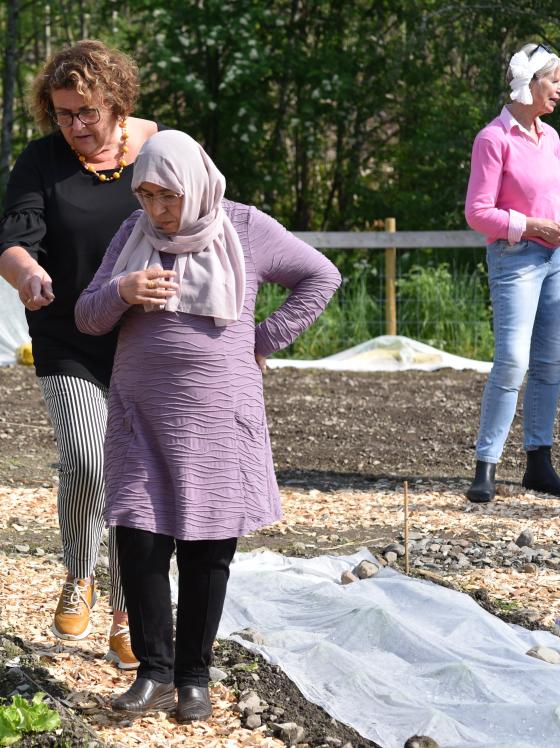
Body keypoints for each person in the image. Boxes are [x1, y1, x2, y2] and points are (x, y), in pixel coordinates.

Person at [74, 130, 339, 721]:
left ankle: (194, 675)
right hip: (141, 414)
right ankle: (153, 671)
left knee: (206, 549)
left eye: (167, 196)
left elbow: (321, 277)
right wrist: (123, 290)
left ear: (193, 185)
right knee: (139, 541)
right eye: (144, 196)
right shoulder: (132, 237)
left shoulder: (244, 228)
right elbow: (87, 317)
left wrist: (261, 339)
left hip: (219, 416)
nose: (157, 211)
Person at [0, 40, 161, 670]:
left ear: (114, 102)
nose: (74, 127)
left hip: (143, 338)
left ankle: (125, 611)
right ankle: (78, 570)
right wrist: (27, 272)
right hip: (66, 333)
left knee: (136, 476)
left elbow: (198, 216)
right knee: (89, 457)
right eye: (62, 114)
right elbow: (11, 238)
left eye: (86, 112)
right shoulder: (42, 161)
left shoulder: (156, 151)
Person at [464, 43, 560, 504]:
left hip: (555, 262)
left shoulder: (553, 138)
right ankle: (487, 465)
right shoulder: (493, 139)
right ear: (529, 83)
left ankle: (539, 463)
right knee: (513, 363)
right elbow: (478, 213)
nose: (558, 90)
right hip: (516, 259)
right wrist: (533, 226)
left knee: (549, 365)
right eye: (553, 80)